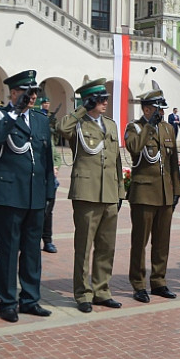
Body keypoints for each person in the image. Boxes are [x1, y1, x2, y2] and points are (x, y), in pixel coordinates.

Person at [0, 71, 56, 321]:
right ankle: (6, 301)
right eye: (28, 92)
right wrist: (14, 111)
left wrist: (49, 191)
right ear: (14, 93)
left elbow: (46, 157)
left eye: (35, 92)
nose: (33, 97)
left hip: (35, 195)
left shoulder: (39, 119)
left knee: (31, 251)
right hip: (9, 194)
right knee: (8, 250)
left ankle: (30, 299)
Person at [57, 78, 123, 313]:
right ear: (91, 100)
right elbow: (61, 128)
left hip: (109, 193)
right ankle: (83, 293)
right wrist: (83, 107)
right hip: (86, 193)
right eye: (100, 99)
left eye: (105, 98)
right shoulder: (78, 124)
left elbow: (116, 161)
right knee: (84, 247)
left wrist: (120, 192)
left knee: (107, 246)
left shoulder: (111, 125)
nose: (105, 102)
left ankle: (102, 291)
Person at [124, 90, 180, 302]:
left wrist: (176, 191)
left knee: (162, 242)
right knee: (140, 242)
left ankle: (159, 281)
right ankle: (138, 284)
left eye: (162, 108)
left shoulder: (167, 128)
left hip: (165, 194)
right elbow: (134, 148)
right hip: (144, 194)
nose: (162, 112)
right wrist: (149, 126)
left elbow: (173, 162)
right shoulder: (135, 128)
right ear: (147, 109)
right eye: (158, 108)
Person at [37, 95, 60, 254]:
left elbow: (56, 156)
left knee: (48, 212)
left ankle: (48, 240)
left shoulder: (48, 138)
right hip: (37, 178)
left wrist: (56, 167)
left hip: (50, 179)